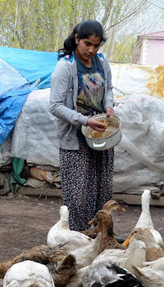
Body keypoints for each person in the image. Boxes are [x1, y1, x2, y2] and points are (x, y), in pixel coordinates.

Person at [49, 20, 115, 231]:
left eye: (96, 46)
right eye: (87, 44)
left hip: (101, 136)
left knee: (102, 193)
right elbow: (55, 106)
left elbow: (110, 89)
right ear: (77, 38)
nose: (91, 50)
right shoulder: (65, 67)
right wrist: (85, 120)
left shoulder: (102, 63)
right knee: (78, 198)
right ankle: (78, 238)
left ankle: (100, 237)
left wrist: (109, 106)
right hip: (75, 139)